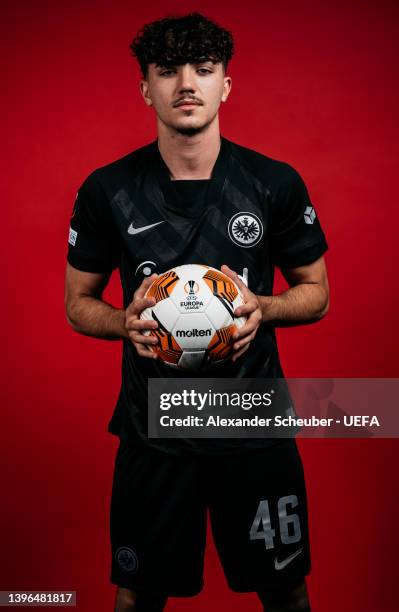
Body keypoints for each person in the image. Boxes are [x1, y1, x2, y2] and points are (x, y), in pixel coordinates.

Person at [65, 12, 329, 612]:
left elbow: (316, 292)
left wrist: (261, 306)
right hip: (154, 431)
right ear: (146, 89)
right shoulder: (108, 189)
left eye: (204, 70)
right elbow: (78, 304)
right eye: (168, 72)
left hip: (252, 423)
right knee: (137, 597)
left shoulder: (272, 182)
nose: (187, 84)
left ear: (225, 86)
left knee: (286, 591)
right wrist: (124, 322)